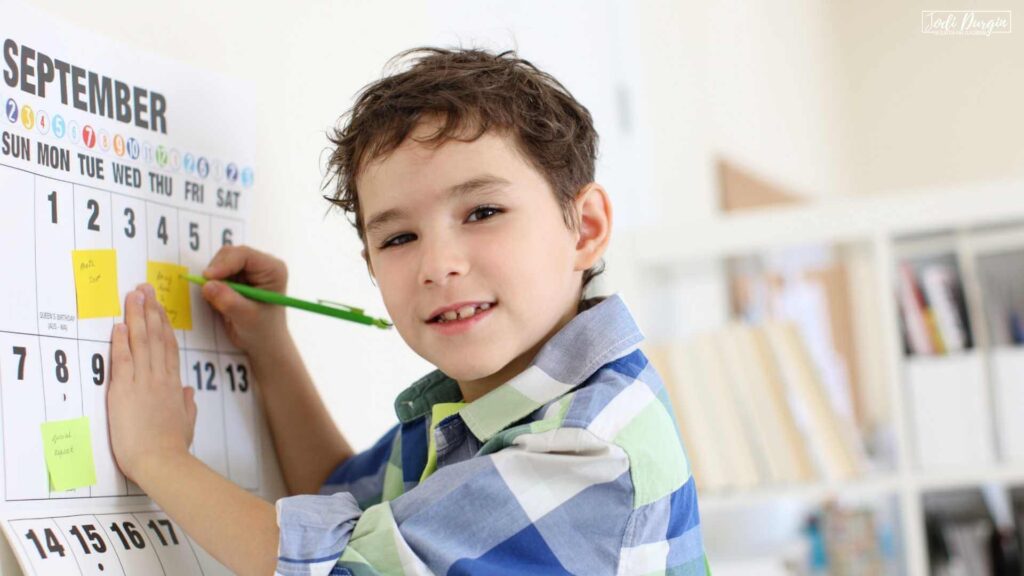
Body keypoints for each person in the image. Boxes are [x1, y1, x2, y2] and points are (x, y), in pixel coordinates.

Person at [107, 47, 708, 576]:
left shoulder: (590, 442)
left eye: (482, 212)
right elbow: (338, 493)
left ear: (586, 228)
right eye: (398, 239)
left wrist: (158, 456)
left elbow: (341, 567)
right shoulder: (484, 406)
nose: (437, 264)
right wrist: (269, 346)